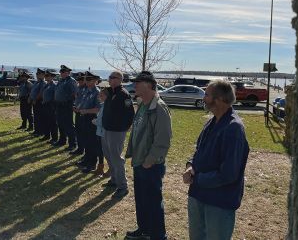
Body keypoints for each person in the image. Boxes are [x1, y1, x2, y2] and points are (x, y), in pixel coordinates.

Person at [182, 80, 249, 240]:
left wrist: (197, 179)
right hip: (198, 195)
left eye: (206, 95)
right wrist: (190, 166)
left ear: (219, 100)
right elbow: (199, 151)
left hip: (219, 202)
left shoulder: (233, 128)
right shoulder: (211, 122)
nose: (203, 98)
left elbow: (228, 174)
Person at [125, 71, 172, 240]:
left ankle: (158, 235)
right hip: (139, 161)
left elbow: (163, 139)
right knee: (142, 200)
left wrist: (149, 161)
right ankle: (144, 229)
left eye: (138, 82)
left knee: (153, 202)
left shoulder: (159, 107)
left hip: (150, 164)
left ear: (149, 85)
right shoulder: (143, 105)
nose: (135, 85)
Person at [102, 71, 135, 198]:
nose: (109, 79)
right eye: (109, 77)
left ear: (120, 80)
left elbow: (130, 114)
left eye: (112, 77)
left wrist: (124, 128)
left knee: (116, 158)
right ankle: (114, 179)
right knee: (108, 155)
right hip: (107, 129)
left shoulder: (124, 94)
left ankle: (123, 186)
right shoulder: (111, 92)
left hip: (116, 131)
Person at [77, 71, 101, 173]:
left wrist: (85, 111)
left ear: (96, 81)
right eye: (86, 79)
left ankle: (92, 164)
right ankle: (86, 159)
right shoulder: (86, 90)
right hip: (83, 117)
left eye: (89, 79)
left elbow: (98, 109)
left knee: (92, 142)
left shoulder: (97, 92)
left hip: (92, 119)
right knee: (85, 140)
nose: (86, 81)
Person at [53, 65, 77, 150]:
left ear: (68, 72)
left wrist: (73, 104)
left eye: (63, 72)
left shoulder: (71, 81)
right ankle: (62, 140)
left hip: (67, 105)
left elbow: (74, 94)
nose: (61, 73)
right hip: (59, 104)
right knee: (60, 123)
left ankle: (72, 143)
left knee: (68, 124)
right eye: (61, 72)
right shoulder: (61, 80)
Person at [92, 88, 109, 176]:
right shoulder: (103, 105)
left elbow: (102, 121)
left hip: (103, 132)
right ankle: (100, 167)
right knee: (99, 150)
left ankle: (110, 169)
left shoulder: (106, 106)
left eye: (101, 95)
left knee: (106, 152)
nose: (99, 96)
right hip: (99, 131)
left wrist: (94, 121)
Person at [71, 72, 87, 155]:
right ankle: (80, 148)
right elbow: (76, 99)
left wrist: (79, 108)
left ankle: (83, 149)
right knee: (78, 131)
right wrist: (74, 106)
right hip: (77, 112)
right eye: (79, 79)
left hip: (84, 113)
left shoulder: (87, 89)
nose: (80, 81)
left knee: (83, 132)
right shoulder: (78, 87)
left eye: (82, 79)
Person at [41, 70, 58, 142]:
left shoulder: (54, 85)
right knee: (46, 121)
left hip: (51, 105)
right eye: (45, 75)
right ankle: (47, 135)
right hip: (45, 104)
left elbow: (55, 96)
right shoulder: (46, 85)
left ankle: (54, 138)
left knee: (52, 122)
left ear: (52, 77)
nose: (45, 77)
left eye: (47, 76)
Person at [29, 68, 46, 137]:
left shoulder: (43, 83)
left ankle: (40, 131)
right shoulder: (37, 82)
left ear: (43, 75)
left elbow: (41, 93)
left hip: (39, 101)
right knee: (36, 117)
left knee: (40, 117)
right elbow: (33, 91)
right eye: (37, 74)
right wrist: (30, 97)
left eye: (39, 74)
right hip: (34, 101)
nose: (37, 75)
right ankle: (36, 130)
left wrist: (35, 99)